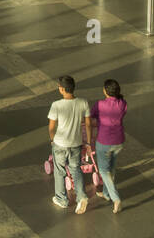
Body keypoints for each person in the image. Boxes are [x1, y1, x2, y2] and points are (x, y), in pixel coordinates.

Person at [48, 75, 92, 213]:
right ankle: (81, 196)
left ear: (61, 89)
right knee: (76, 169)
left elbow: (51, 127)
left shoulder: (56, 105)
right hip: (76, 143)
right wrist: (89, 143)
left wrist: (52, 139)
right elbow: (88, 124)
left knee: (60, 171)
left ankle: (62, 199)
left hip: (60, 144)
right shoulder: (83, 102)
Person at [90, 79, 128, 214]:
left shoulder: (100, 104)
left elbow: (90, 116)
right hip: (119, 141)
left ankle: (115, 198)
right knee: (111, 168)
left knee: (104, 171)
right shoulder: (123, 103)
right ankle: (106, 193)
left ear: (105, 91)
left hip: (104, 142)